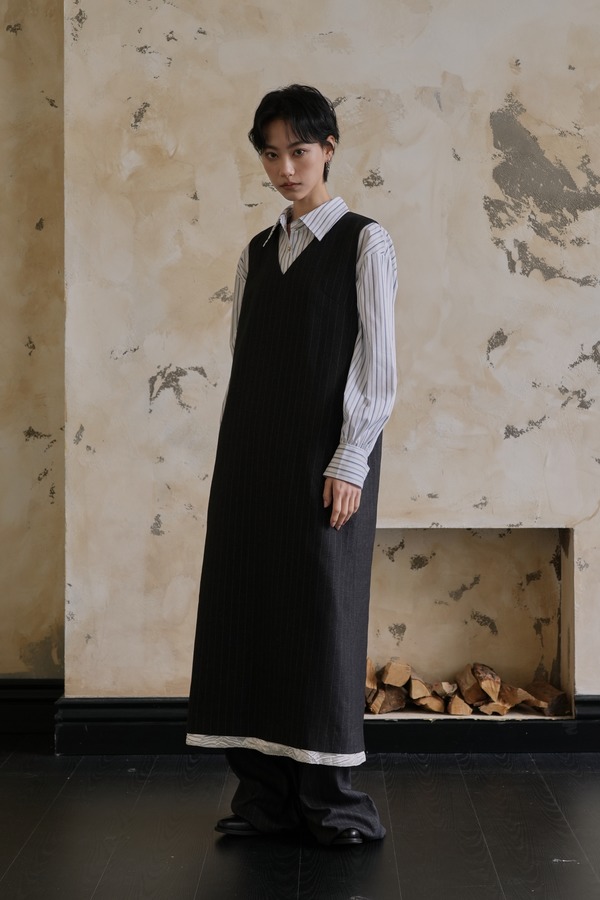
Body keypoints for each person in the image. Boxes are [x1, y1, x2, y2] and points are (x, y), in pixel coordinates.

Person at [187, 84, 397, 847]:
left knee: (319, 617)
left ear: (328, 149)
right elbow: (245, 358)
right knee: (248, 612)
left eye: (298, 151)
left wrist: (351, 459)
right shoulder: (255, 252)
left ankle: (330, 804)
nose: (285, 168)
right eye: (271, 154)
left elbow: (378, 365)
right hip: (251, 457)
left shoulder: (365, 243)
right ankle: (264, 800)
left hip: (324, 458)